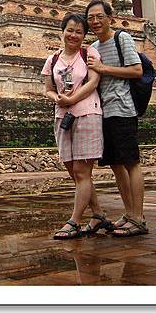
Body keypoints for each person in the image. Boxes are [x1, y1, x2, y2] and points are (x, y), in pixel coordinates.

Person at [42, 13, 113, 240]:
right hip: (63, 117)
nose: (74, 35)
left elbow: (93, 81)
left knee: (83, 172)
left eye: (79, 32)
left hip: (87, 113)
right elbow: (48, 88)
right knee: (74, 172)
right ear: (62, 31)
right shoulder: (52, 59)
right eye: (70, 30)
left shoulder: (89, 53)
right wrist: (58, 99)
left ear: (84, 35)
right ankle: (99, 214)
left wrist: (72, 99)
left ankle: (73, 221)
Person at [85, 0, 148, 237]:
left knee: (131, 162)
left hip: (123, 109)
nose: (95, 21)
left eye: (99, 16)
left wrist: (104, 69)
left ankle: (138, 217)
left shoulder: (122, 39)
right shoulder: (94, 48)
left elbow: (136, 70)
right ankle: (130, 213)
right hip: (104, 111)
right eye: (91, 18)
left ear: (110, 18)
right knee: (116, 165)